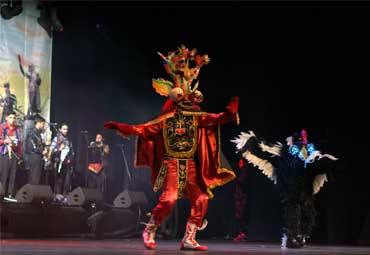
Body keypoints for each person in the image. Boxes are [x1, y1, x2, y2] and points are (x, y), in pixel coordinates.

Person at [104, 45, 239, 251]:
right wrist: (121, 127)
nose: (187, 100)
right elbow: (142, 129)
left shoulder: (197, 118)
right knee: (169, 199)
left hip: (192, 165)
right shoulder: (166, 120)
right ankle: (150, 229)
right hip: (172, 164)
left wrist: (229, 113)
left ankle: (189, 238)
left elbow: (215, 119)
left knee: (202, 198)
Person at [231, 129, 338, 248]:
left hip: (305, 190)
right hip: (292, 189)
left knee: (306, 211)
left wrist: (327, 162)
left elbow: (318, 165)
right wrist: (250, 143)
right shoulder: (286, 153)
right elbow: (266, 149)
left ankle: (300, 235)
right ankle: (293, 236)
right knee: (294, 211)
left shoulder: (310, 154)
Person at [0, 111, 22, 201]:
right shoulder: (2, 128)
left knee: (13, 175)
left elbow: (19, 144)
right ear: (6, 118)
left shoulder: (17, 129)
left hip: (14, 154)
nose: (12, 120)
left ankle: (10, 194)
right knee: (4, 175)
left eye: (14, 118)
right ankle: (2, 194)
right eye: (10, 117)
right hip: (4, 154)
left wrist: (19, 156)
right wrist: (5, 141)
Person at [50, 123, 74, 199]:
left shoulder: (69, 140)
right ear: (60, 129)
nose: (65, 131)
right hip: (58, 162)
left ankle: (65, 197)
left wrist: (70, 159)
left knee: (67, 181)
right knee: (59, 180)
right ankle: (57, 196)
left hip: (67, 163)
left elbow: (72, 152)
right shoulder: (56, 139)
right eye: (64, 129)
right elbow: (52, 150)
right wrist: (59, 150)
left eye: (67, 129)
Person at [24, 114, 47, 185]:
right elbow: (32, 146)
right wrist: (42, 151)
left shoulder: (38, 134)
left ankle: (35, 192)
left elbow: (39, 145)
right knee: (34, 177)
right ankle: (32, 193)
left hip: (38, 157)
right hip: (34, 157)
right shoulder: (32, 133)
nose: (43, 126)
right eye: (43, 124)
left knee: (38, 177)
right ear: (38, 123)